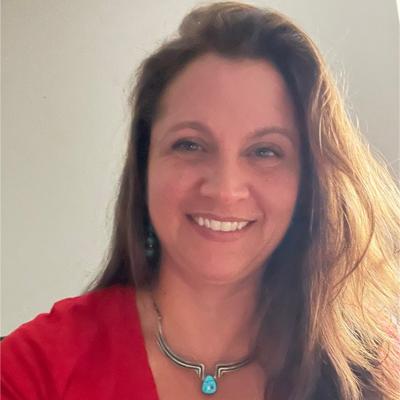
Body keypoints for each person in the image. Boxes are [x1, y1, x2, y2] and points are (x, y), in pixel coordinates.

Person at [2, 2, 399, 399]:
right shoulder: (33, 369)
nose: (225, 190)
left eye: (265, 151)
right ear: (144, 164)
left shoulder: (373, 367)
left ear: (309, 181)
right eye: (190, 145)